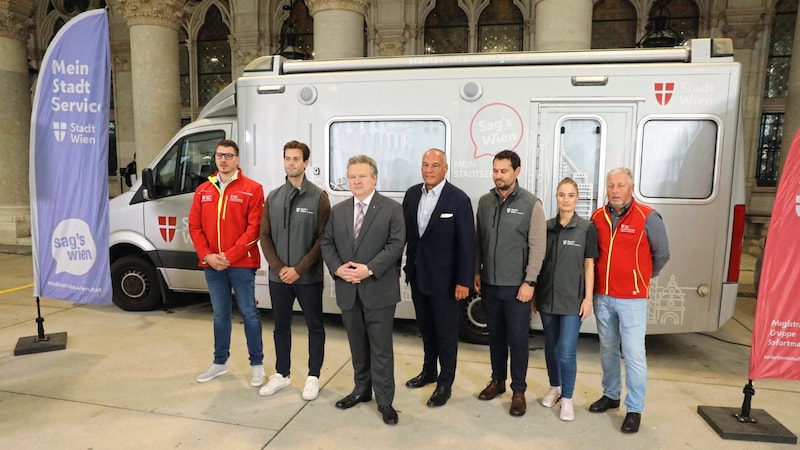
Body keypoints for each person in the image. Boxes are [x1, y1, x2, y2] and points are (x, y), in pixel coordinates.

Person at [321, 155, 406, 425]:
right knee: (357, 347)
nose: (356, 181)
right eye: (352, 176)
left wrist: (367, 269)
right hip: (348, 290)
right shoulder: (339, 210)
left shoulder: (392, 209)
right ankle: (361, 390)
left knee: (381, 349)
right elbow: (327, 243)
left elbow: (395, 245)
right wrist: (338, 269)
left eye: (362, 176)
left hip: (378, 290)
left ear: (374, 178)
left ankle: (385, 401)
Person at [589, 167, 670, 434]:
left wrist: (642, 279)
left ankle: (634, 408)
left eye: (620, 185)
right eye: (611, 186)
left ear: (631, 188)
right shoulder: (597, 217)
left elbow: (662, 255)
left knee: (634, 355)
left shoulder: (648, 217)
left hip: (633, 300)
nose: (615, 191)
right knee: (608, 349)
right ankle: (611, 394)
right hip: (603, 297)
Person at [474, 150, 546, 417]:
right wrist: (476, 272)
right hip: (490, 285)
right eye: (495, 170)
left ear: (517, 171)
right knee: (495, 337)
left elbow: (538, 247)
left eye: (504, 171)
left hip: (518, 288)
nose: (498, 176)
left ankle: (518, 390)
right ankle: (497, 381)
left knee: (517, 341)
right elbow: (478, 241)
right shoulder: (484, 202)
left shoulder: (531, 204)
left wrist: (530, 282)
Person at [402, 148, 476, 407]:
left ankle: (445, 383)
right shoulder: (412, 195)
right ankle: (429, 371)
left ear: (446, 168)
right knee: (426, 330)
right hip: (418, 277)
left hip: (446, 282)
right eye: (425, 164)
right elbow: (409, 237)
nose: (429, 170)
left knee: (446, 334)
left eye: (435, 165)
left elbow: (468, 244)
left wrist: (464, 281)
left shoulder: (458, 199)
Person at [189, 139, 265, 387]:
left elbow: (254, 230)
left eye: (229, 155)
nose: (223, 160)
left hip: (242, 264)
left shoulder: (252, 189)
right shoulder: (203, 191)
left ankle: (257, 365)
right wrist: (208, 256)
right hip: (212, 265)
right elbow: (194, 227)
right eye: (220, 155)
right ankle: (219, 363)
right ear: (215, 158)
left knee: (249, 313)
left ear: (237, 159)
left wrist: (230, 256)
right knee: (220, 314)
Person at [259, 140, 331, 400]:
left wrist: (299, 269)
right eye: (287, 158)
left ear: (306, 163)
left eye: (296, 159)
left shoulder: (319, 198)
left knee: (315, 326)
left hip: (308, 277)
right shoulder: (273, 197)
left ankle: (313, 376)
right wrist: (279, 268)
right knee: (281, 327)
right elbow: (264, 235)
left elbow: (323, 239)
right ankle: (282, 374)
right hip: (279, 278)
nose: (291, 163)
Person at [534, 177, 598, 421]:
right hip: (548, 297)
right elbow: (539, 261)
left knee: (567, 350)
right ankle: (556, 387)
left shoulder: (585, 228)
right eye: (562, 195)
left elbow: (589, 265)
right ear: (556, 197)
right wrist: (536, 293)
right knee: (551, 346)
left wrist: (588, 299)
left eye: (571, 195)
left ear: (577, 198)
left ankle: (568, 399)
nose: (566, 200)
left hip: (572, 300)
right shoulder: (547, 227)